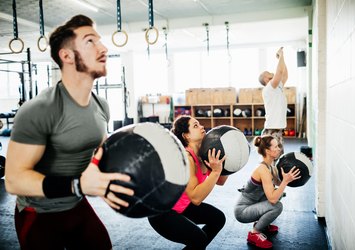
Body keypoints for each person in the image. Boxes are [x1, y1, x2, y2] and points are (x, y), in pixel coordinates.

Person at [5, 15, 134, 249]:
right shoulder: (40, 109)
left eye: (100, 41)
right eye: (90, 42)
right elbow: (14, 180)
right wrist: (77, 185)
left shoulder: (100, 105)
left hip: (76, 205)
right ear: (67, 56)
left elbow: (102, 153)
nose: (103, 47)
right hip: (40, 212)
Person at [148, 115, 228, 249]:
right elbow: (196, 198)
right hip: (161, 212)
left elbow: (220, 180)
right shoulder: (185, 158)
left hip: (181, 206)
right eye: (195, 126)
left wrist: (226, 164)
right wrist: (215, 172)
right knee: (199, 239)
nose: (202, 127)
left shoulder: (203, 154)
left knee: (218, 219)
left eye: (200, 124)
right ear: (186, 136)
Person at [234, 136, 300, 249]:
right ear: (268, 151)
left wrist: (288, 177)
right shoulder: (262, 169)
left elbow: (279, 184)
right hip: (242, 211)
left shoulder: (270, 167)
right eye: (276, 146)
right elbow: (273, 199)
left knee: (277, 193)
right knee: (277, 205)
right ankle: (254, 233)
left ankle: (263, 225)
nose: (279, 149)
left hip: (253, 205)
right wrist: (285, 181)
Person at [258, 47, 288, 154]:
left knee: (278, 156)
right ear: (266, 79)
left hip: (277, 128)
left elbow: (284, 74)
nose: (271, 72)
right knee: (273, 157)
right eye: (268, 72)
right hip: (272, 129)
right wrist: (281, 55)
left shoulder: (277, 86)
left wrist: (281, 58)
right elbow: (279, 72)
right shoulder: (269, 88)